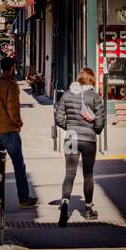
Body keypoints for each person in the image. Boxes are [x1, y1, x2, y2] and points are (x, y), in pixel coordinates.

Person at [0, 56, 38, 209]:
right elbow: (12, 109)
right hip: (8, 131)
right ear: (12, 67)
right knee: (19, 165)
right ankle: (23, 198)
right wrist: (18, 123)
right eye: (14, 67)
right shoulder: (11, 85)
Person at [54, 66, 105, 225]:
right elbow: (100, 121)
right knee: (88, 174)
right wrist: (95, 130)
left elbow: (58, 116)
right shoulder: (95, 97)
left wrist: (67, 128)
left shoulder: (67, 95)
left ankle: (64, 205)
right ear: (92, 79)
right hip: (88, 139)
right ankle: (88, 210)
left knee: (69, 173)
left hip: (71, 137)